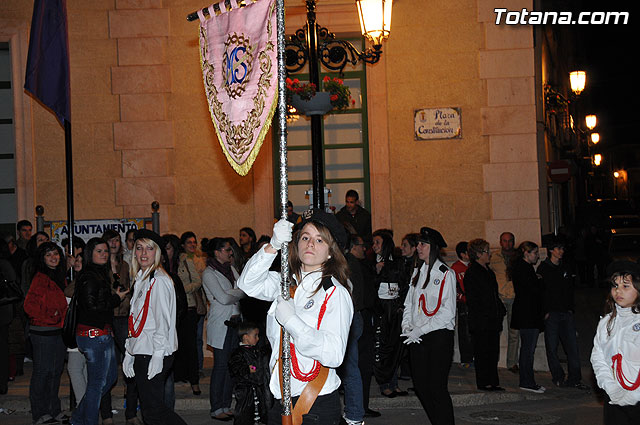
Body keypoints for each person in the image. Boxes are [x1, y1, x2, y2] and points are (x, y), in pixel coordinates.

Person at [237, 210, 354, 425]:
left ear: (330, 251)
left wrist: (292, 322)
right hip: (279, 399)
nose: (310, 244)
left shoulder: (334, 293)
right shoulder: (284, 284)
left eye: (319, 240)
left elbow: (334, 354)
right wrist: (273, 245)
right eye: (305, 237)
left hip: (314, 404)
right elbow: (247, 283)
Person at [122, 229, 187, 425]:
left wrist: (158, 353)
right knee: (151, 410)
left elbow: (163, 321)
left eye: (149, 249)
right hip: (143, 349)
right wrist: (129, 351)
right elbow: (136, 319)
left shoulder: (158, 280)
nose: (143, 253)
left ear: (157, 252)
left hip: (153, 351)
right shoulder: (142, 277)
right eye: (139, 248)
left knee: (154, 411)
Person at [401, 227, 456, 425]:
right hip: (417, 336)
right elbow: (409, 303)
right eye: (418, 244)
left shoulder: (445, 274)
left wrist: (420, 329)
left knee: (437, 388)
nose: (418, 247)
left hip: (438, 337)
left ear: (433, 247)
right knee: (421, 386)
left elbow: (447, 313)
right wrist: (406, 325)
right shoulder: (417, 272)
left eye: (423, 244)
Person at [71, 237, 128, 425]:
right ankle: (87, 421)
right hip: (93, 336)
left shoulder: (100, 273)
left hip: (103, 333)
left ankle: (77, 418)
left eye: (105, 251)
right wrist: (116, 299)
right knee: (97, 384)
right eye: (99, 251)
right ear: (90, 253)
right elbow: (91, 307)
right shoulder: (89, 276)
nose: (104, 254)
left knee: (109, 378)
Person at [23, 242, 69, 424]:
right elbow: (29, 306)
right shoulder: (40, 278)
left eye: (55, 254)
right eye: (48, 255)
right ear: (42, 258)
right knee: (43, 372)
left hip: (57, 331)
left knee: (55, 372)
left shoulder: (59, 276)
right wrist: (51, 316)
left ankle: (53, 410)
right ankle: (40, 412)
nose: (53, 257)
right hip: (43, 332)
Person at [591, 261, 640, 424]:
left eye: (625, 286)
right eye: (615, 285)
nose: (618, 291)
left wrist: (633, 395)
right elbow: (598, 358)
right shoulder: (606, 323)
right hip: (614, 398)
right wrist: (611, 388)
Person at [202, 237, 245, 421]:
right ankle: (216, 407)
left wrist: (233, 294)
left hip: (236, 323)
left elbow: (244, 289)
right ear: (217, 252)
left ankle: (226, 405)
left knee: (231, 366)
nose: (230, 252)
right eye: (227, 250)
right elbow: (223, 298)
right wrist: (236, 294)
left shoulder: (231, 269)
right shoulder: (209, 273)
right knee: (220, 366)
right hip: (221, 323)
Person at [538, 236, 588, 390]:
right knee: (552, 348)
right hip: (552, 314)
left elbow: (570, 290)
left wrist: (571, 309)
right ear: (551, 250)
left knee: (572, 347)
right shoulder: (543, 268)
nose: (561, 252)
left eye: (562, 249)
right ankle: (558, 377)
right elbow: (541, 292)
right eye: (558, 249)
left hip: (566, 313)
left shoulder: (566, 267)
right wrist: (545, 311)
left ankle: (575, 378)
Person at [464, 239, 506, 392]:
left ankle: (493, 381)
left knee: (493, 352)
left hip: (492, 320)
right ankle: (484, 382)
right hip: (481, 322)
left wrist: (500, 310)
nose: (489, 254)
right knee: (482, 352)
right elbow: (474, 300)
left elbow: (493, 294)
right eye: (487, 251)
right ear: (478, 254)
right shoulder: (472, 273)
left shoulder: (488, 271)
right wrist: (486, 315)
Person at [371, 229, 405, 398]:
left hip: (395, 308)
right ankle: (384, 383)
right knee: (382, 347)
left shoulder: (397, 261)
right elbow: (370, 287)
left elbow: (403, 283)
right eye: (373, 243)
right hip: (381, 310)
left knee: (395, 347)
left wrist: (401, 305)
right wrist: (376, 272)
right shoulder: (371, 262)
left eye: (377, 242)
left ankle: (393, 382)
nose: (374, 246)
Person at [509, 241, 545, 394]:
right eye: (535, 253)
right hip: (528, 314)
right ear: (526, 253)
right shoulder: (523, 268)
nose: (537, 256)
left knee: (528, 349)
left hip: (528, 314)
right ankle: (527, 382)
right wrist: (539, 281)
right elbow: (532, 290)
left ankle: (528, 381)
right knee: (528, 350)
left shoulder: (524, 267)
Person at [170, 233, 203, 396]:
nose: (167, 251)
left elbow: (197, 281)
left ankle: (194, 379)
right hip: (170, 309)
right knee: (176, 344)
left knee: (190, 344)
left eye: (169, 248)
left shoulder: (185, 261)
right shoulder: (161, 264)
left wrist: (181, 290)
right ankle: (179, 374)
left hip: (188, 306)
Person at [340, 234, 367, 425]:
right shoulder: (347, 262)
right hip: (353, 316)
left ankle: (354, 414)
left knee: (349, 368)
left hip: (349, 318)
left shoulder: (344, 263)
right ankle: (354, 413)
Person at [228, 322, 269, 425]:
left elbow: (260, 363)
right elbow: (235, 367)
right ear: (246, 337)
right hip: (245, 390)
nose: (258, 338)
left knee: (260, 411)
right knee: (244, 415)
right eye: (255, 336)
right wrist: (248, 368)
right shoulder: (238, 353)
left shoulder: (257, 350)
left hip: (258, 388)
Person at [490, 232, 519, 374]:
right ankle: (492, 361)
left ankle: (512, 363)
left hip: (514, 296)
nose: (507, 244)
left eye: (510, 241)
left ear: (513, 242)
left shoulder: (518, 256)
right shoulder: (494, 257)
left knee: (514, 332)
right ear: (500, 242)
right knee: (496, 331)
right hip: (500, 297)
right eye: (505, 241)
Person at [180, 231, 207, 373]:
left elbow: (200, 281)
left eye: (194, 242)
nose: (192, 245)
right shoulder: (180, 260)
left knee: (198, 338)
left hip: (197, 301)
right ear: (183, 245)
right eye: (189, 242)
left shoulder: (200, 261)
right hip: (185, 303)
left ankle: (198, 367)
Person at [451, 241, 473, 368]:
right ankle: (466, 359)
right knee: (464, 332)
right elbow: (455, 288)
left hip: (472, 303)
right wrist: (462, 298)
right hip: (463, 304)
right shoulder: (455, 268)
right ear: (463, 254)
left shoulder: (471, 266)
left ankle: (472, 357)